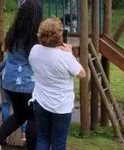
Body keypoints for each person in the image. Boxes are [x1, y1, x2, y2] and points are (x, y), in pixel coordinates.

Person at [0, 0, 42, 150]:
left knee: (20, 115)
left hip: (9, 81)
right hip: (26, 83)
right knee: (33, 116)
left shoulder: (13, 33)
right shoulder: (34, 38)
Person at [29, 18, 86, 150]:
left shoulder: (34, 50)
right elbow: (82, 73)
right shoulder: (65, 57)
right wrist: (70, 54)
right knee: (59, 142)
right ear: (58, 36)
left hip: (40, 100)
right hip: (61, 105)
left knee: (43, 137)